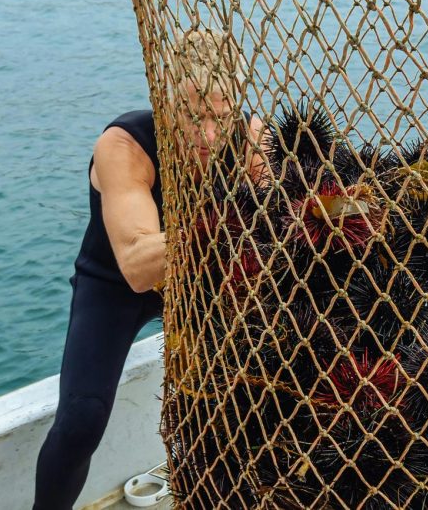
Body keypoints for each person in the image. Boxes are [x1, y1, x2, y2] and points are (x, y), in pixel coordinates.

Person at [32, 30, 265, 509]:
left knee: (246, 406)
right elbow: (139, 266)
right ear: (165, 100)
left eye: (221, 118)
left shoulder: (251, 139)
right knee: (81, 420)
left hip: (207, 283)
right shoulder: (124, 144)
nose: (208, 136)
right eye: (192, 117)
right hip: (115, 283)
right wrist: (228, 220)